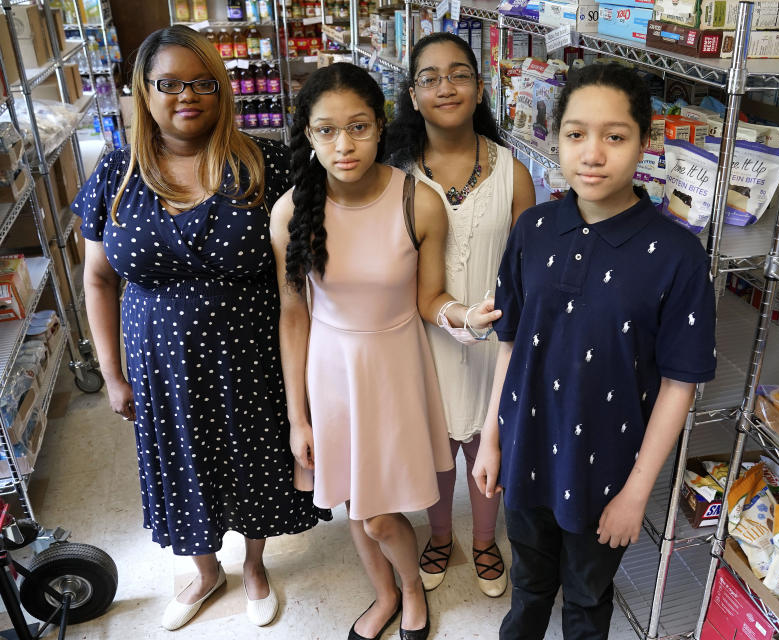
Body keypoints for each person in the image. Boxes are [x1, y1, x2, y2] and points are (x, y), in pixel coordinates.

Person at [74, 25, 325, 631]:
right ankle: (207, 569)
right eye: (170, 84)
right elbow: (99, 280)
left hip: (253, 353)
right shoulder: (116, 173)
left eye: (203, 83)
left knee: (257, 461)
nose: (187, 95)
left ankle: (257, 563)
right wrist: (112, 374)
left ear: (222, 90)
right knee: (180, 462)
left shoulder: (263, 163)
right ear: (143, 92)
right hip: (159, 364)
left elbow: (303, 269)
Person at [472, 63, 717, 639]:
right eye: (576, 134)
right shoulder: (532, 229)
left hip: (606, 468)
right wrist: (491, 439)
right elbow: (508, 345)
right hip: (525, 446)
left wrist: (637, 494)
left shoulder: (676, 254)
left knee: (586, 598)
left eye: (615, 136)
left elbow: (680, 384)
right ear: (556, 138)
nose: (593, 154)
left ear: (643, 143)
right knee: (529, 586)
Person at [270, 62, 499, 640]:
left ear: (381, 126)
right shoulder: (292, 211)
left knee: (377, 512)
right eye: (326, 131)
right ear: (308, 134)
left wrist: (462, 316)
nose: (343, 145)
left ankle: (411, 589)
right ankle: (385, 595)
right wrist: (298, 416)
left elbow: (430, 298)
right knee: (353, 499)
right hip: (331, 372)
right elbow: (294, 316)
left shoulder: (416, 202)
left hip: (394, 366)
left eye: (358, 127)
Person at [385, 32, 535, 598]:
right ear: (413, 94)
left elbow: (528, 268)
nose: (445, 87)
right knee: (435, 450)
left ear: (479, 88)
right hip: (419, 334)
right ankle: (441, 534)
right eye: (430, 78)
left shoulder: (513, 174)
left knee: (488, 441)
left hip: (495, 336)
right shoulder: (393, 174)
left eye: (459, 74)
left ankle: (485, 540)